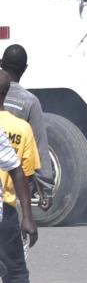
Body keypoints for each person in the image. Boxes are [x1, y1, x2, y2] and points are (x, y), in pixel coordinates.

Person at [0, 70, 39, 283]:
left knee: (15, 273)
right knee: (15, 274)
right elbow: (23, 170)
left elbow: (16, 168)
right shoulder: (21, 127)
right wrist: (28, 215)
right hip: (7, 210)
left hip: (5, 214)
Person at [0, 45, 53, 200]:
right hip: (14, 191)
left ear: (1, 63)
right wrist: (46, 190)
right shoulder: (29, 102)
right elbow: (40, 147)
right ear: (25, 68)